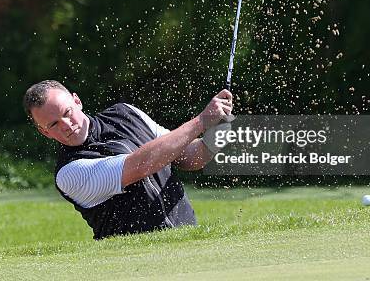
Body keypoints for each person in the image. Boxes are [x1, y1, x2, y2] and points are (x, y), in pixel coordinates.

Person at [23, 80, 233, 239]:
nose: (66, 125)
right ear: (44, 132)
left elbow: (189, 157)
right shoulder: (68, 173)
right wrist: (202, 120)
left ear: (77, 101)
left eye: (67, 112)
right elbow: (140, 166)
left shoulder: (125, 113)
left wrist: (220, 130)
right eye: (54, 124)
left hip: (187, 238)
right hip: (135, 264)